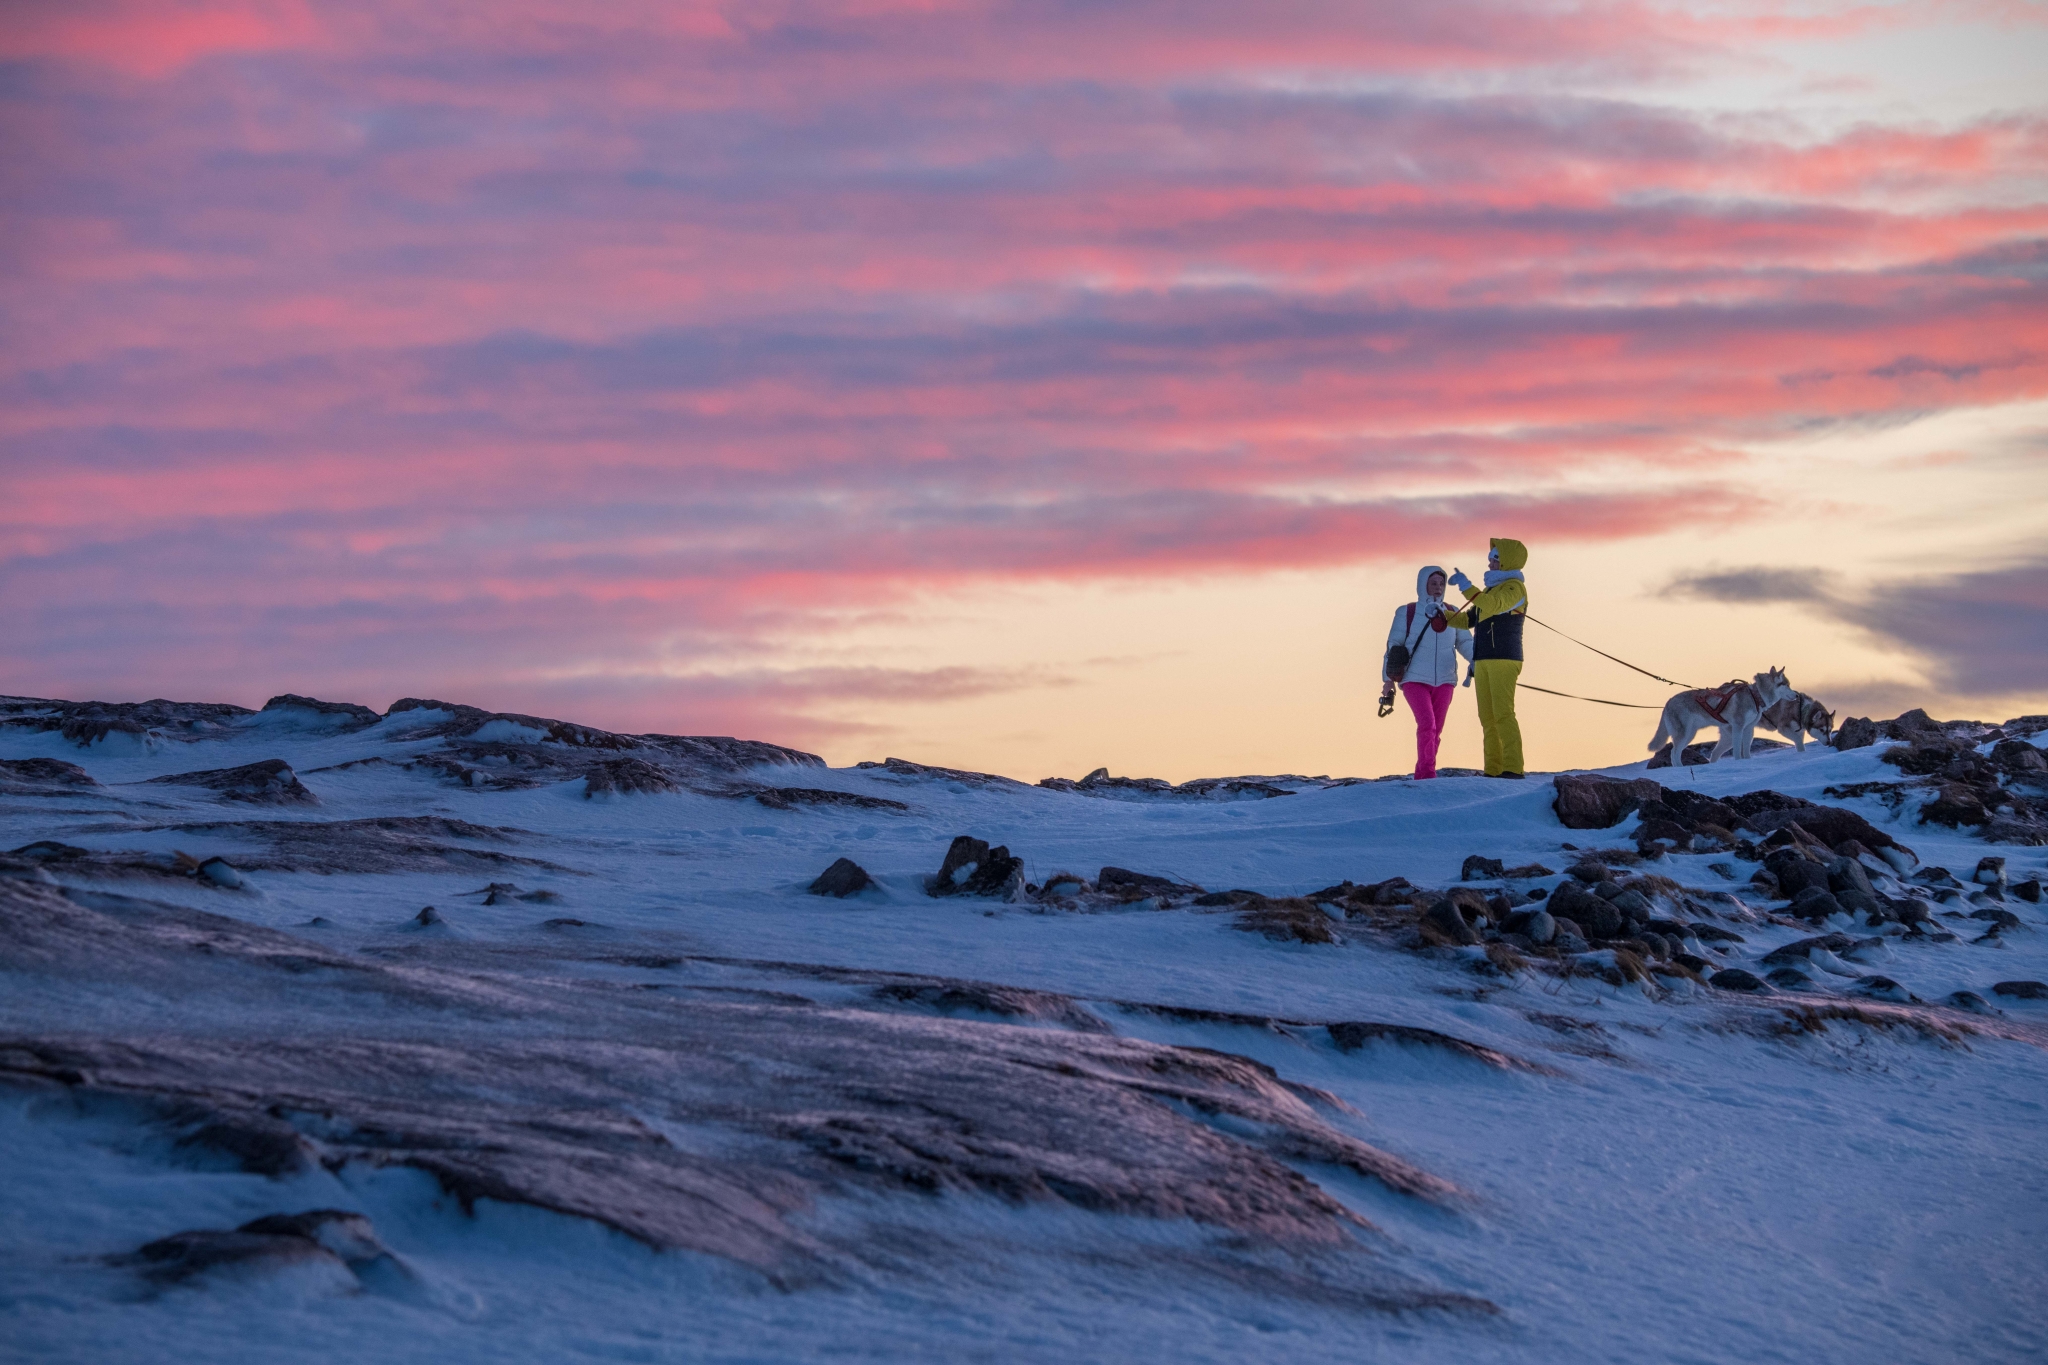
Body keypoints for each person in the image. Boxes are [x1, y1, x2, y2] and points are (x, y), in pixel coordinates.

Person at [1439, 538, 1528, 778]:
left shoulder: (1513, 588)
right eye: (1490, 558)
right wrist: (1442, 615)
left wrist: (1467, 586)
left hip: (1504, 657)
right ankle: (1493, 769)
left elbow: (1493, 606)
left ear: (1507, 561)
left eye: (1495, 559)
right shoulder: (1489, 589)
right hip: (1483, 658)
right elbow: (1468, 620)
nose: (1489, 563)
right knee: (1487, 717)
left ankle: (1513, 768)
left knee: (1503, 713)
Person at [1378, 566, 1472, 779]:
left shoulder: (1453, 612)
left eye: (1441, 583)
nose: (1438, 588)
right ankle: (1428, 774)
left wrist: (1478, 661)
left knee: (1436, 730)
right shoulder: (1407, 612)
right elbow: (1393, 646)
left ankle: (1423, 774)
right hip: (1414, 679)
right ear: (1423, 585)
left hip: (1446, 679)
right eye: (1433, 583)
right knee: (1427, 724)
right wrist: (1387, 681)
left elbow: (1465, 642)